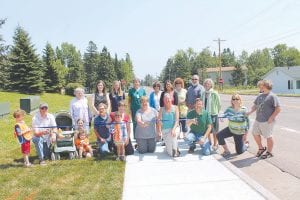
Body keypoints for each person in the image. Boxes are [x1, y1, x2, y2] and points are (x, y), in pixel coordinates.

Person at [246, 80, 281, 159]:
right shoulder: (259, 96)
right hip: (258, 120)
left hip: (267, 121)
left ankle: (269, 152)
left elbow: (278, 108)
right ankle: (261, 148)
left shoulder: (272, 96)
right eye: (259, 86)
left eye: (261, 86)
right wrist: (250, 112)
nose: (260, 87)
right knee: (254, 133)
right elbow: (255, 106)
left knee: (268, 136)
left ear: (266, 86)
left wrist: (271, 118)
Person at [202, 78, 221, 151]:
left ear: (211, 85)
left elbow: (219, 104)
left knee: (214, 130)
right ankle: (209, 142)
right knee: (207, 130)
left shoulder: (214, 93)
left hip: (213, 114)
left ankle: (215, 144)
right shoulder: (203, 93)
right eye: (206, 83)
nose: (207, 85)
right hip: (205, 114)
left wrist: (216, 112)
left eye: (208, 84)